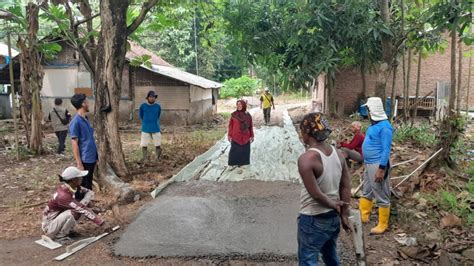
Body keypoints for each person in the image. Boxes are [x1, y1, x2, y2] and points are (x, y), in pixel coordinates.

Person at [297, 112, 351, 266]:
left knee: (308, 259)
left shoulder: (307, 159)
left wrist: (334, 204)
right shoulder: (338, 154)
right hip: (332, 218)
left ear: (308, 133)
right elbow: (345, 185)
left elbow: (315, 194)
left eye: (302, 132)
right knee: (330, 255)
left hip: (313, 217)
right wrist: (343, 213)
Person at [42, 166, 105, 242]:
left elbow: (89, 192)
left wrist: (84, 202)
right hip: (49, 225)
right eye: (79, 177)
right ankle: (60, 236)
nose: (81, 178)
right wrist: (101, 223)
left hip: (57, 219)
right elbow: (82, 209)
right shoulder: (63, 195)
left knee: (81, 208)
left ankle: (65, 231)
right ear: (73, 180)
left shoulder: (74, 187)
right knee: (77, 212)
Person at [359, 97, 393, 235]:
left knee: (380, 191)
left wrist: (381, 169)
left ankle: (382, 224)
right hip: (369, 163)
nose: (366, 112)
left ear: (373, 110)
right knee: (367, 189)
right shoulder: (373, 126)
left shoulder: (385, 128)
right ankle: (364, 215)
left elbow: (386, 150)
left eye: (368, 109)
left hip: (377, 164)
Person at [69, 93, 98, 201]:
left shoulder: (85, 118)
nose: (88, 103)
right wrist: (79, 163)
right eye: (87, 101)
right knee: (83, 185)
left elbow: (89, 139)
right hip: (85, 158)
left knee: (89, 183)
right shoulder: (75, 122)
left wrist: (96, 156)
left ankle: (87, 205)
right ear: (82, 104)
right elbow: (74, 143)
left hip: (91, 157)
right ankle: (80, 206)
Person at [228, 100, 254, 166]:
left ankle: (244, 163)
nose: (239, 106)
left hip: (245, 137)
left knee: (244, 151)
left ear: (243, 105)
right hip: (236, 136)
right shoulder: (234, 115)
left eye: (240, 104)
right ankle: (233, 163)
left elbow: (250, 126)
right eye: (237, 104)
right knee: (234, 151)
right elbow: (230, 126)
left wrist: (252, 135)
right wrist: (229, 135)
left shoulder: (248, 115)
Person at [138, 90, 162, 163]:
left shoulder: (158, 106)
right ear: (147, 98)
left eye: (153, 97)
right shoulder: (143, 106)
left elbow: (158, 116)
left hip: (155, 127)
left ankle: (157, 158)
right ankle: (145, 158)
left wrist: (153, 121)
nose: (152, 98)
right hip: (145, 128)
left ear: (155, 98)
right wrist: (147, 121)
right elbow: (141, 116)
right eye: (150, 97)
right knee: (144, 144)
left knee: (158, 144)